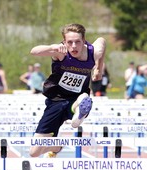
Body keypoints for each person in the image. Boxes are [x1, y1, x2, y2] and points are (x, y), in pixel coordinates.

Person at [29, 23, 106, 158]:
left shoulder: (92, 53)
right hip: (56, 100)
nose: (74, 46)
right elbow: (34, 51)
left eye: (77, 42)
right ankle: (56, 147)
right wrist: (52, 47)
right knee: (34, 152)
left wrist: (99, 68)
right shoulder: (60, 52)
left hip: (76, 98)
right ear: (64, 42)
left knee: (82, 100)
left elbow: (102, 41)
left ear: (84, 40)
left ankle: (79, 109)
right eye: (70, 42)